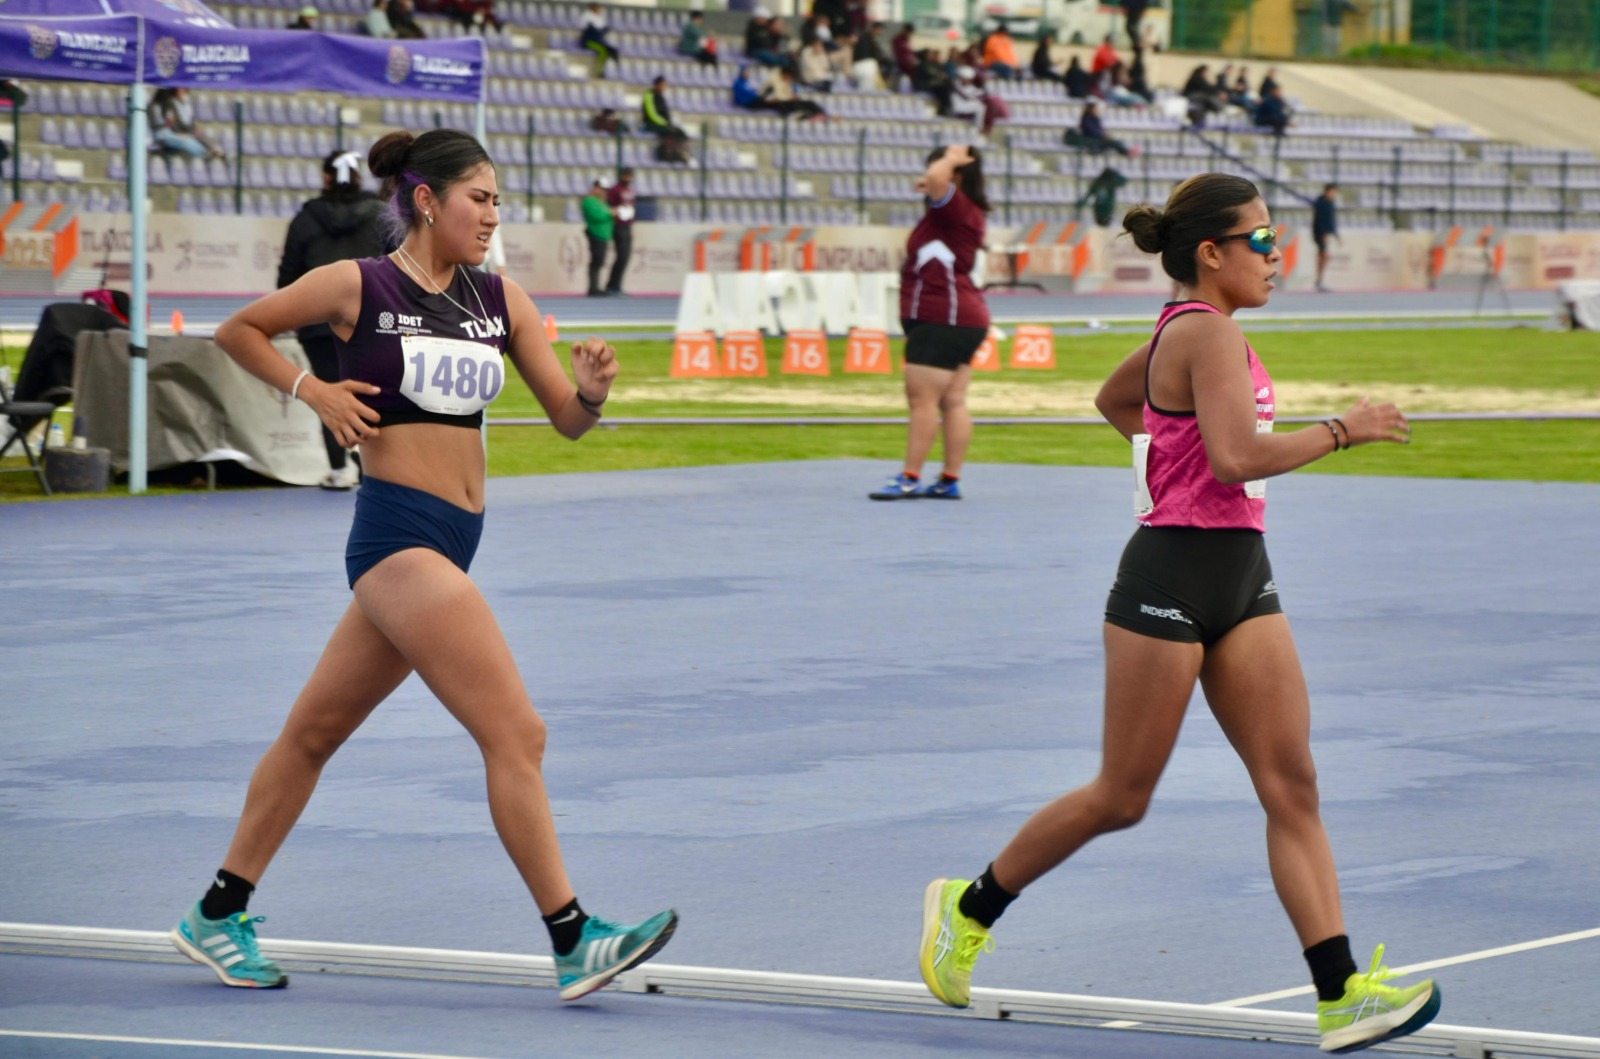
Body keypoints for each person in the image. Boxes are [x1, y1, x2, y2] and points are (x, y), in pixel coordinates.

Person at [915, 171, 1441, 1056]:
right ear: (1211, 252)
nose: (1277, 254)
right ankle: (966, 909)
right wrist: (1341, 430)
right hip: (1167, 578)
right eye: (1262, 239)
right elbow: (1235, 458)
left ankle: (1341, 991)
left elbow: (1120, 404)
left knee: (1292, 784)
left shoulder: (1194, 330)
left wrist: (1169, 457)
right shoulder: (1204, 332)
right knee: (1121, 796)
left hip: (1242, 576)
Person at [170, 127, 677, 1000]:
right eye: (480, 198)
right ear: (428, 200)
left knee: (312, 735)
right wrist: (313, 390)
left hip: (452, 541)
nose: (493, 215)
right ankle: (573, 937)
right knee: (517, 733)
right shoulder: (357, 285)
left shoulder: (500, 299)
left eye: (498, 200)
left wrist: (593, 392)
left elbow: (565, 418)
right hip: (397, 539)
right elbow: (238, 329)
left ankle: (217, 911)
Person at [869, 145, 990, 502]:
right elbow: (934, 181)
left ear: (957, 176)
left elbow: (938, 177)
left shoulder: (955, 207)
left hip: (942, 318)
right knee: (952, 400)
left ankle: (910, 476)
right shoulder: (956, 212)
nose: (929, 174)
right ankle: (949, 478)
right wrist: (936, 177)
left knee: (922, 400)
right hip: (959, 317)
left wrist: (950, 159)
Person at [276, 150, 389, 491]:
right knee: (372, 394)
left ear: (327, 177)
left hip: (318, 324)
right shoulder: (381, 215)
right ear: (358, 176)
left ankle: (339, 468)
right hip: (372, 321)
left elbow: (287, 275)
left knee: (327, 394)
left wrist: (296, 315)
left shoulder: (306, 219)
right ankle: (374, 470)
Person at [150, 87, 220, 161]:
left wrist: (171, 124)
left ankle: (214, 152)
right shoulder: (154, 107)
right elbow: (159, 126)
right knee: (187, 140)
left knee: (201, 136)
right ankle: (205, 154)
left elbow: (172, 124)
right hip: (162, 136)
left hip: (171, 133)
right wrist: (170, 124)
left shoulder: (170, 105)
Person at [641, 76, 690, 163]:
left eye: (664, 85)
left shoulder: (661, 96)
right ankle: (665, 154)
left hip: (662, 124)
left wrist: (667, 123)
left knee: (681, 133)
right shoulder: (649, 95)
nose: (664, 87)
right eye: (662, 85)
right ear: (656, 85)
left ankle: (677, 153)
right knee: (670, 131)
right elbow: (651, 114)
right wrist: (665, 123)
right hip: (651, 124)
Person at [1067, 98, 1138, 157]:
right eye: (1095, 108)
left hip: (1098, 138)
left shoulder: (1095, 118)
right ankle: (1127, 152)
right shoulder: (1086, 119)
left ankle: (1127, 150)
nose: (1097, 110)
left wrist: (1104, 134)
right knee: (1113, 142)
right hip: (1093, 140)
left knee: (1116, 141)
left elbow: (1098, 130)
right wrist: (1103, 135)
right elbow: (1091, 131)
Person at [604, 167, 636, 296]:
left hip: (627, 225)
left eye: (630, 176)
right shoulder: (615, 190)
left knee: (625, 257)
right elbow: (609, 206)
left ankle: (617, 285)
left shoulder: (630, 190)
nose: (628, 178)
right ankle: (612, 286)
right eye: (626, 175)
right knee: (621, 256)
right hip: (618, 225)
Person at [581, 176, 613, 297]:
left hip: (603, 234)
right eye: (602, 189)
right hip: (595, 234)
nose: (604, 191)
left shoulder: (601, 202)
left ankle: (596, 286)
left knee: (599, 261)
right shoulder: (589, 201)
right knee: (596, 260)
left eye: (605, 189)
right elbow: (597, 216)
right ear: (596, 188)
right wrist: (610, 213)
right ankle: (593, 287)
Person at [580, 3, 620, 77]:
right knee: (602, 50)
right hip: (588, 41)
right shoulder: (587, 16)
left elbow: (603, 29)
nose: (599, 10)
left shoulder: (599, 17)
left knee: (612, 49)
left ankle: (615, 67)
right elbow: (590, 30)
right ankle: (600, 71)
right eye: (597, 8)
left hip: (597, 40)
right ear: (593, 8)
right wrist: (600, 31)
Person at [1313, 183, 1340, 293]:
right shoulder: (1322, 203)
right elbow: (1320, 220)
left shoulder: (1330, 203)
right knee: (1325, 255)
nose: (1334, 194)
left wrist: (1336, 235)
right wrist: (1323, 234)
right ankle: (1319, 280)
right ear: (1327, 191)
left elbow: (1331, 221)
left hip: (1325, 233)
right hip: (1320, 233)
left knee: (1323, 256)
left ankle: (1320, 280)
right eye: (1332, 192)